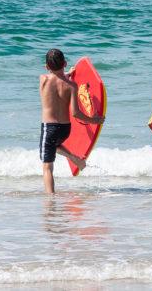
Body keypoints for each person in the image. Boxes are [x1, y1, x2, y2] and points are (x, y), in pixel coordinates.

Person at [39, 49, 105, 194]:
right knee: (53, 145)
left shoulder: (43, 79)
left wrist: (66, 73)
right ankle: (74, 158)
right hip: (65, 129)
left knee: (47, 168)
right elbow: (76, 113)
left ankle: (50, 200)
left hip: (48, 127)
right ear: (65, 63)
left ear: (47, 67)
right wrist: (94, 120)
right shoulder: (71, 86)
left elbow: (55, 78)